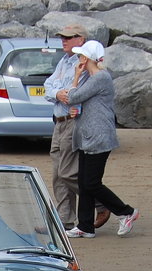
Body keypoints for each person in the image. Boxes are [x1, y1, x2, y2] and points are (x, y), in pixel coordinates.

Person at [55, 41, 138, 239]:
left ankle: (126, 212)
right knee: (84, 183)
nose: (78, 59)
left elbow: (72, 96)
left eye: (81, 55)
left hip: (99, 137)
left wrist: (75, 77)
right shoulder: (91, 78)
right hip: (86, 136)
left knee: (91, 183)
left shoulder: (100, 77)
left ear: (88, 58)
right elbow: (79, 101)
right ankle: (85, 226)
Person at [43, 24, 109, 231]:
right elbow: (48, 86)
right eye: (62, 37)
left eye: (69, 37)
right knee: (57, 174)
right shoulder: (64, 61)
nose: (64, 40)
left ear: (81, 40)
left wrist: (64, 94)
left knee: (67, 173)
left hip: (73, 121)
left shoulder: (85, 65)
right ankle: (65, 219)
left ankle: (101, 202)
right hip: (59, 121)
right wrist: (57, 94)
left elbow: (78, 94)